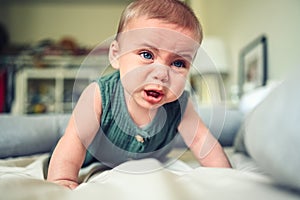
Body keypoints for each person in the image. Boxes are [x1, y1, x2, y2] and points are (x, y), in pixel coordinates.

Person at [47, 0, 232, 189]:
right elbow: (75, 138)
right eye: (147, 54)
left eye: (178, 63)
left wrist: (227, 179)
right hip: (93, 159)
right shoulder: (99, 94)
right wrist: (63, 179)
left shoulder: (181, 105)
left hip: (147, 162)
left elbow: (203, 141)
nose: (161, 74)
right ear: (116, 56)